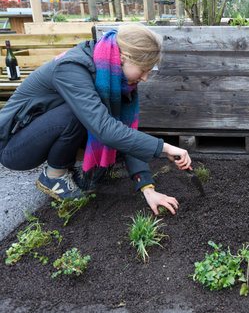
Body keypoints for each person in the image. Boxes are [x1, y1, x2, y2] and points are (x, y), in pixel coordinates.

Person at [0, 24, 191, 216]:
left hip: (41, 133)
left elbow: (124, 129)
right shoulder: (72, 68)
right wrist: (163, 147)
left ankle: (65, 166)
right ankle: (54, 175)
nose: (146, 78)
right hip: (14, 147)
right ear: (124, 58)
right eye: (143, 70)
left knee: (107, 131)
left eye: (150, 70)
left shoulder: (114, 75)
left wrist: (147, 187)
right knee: (79, 114)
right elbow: (105, 129)